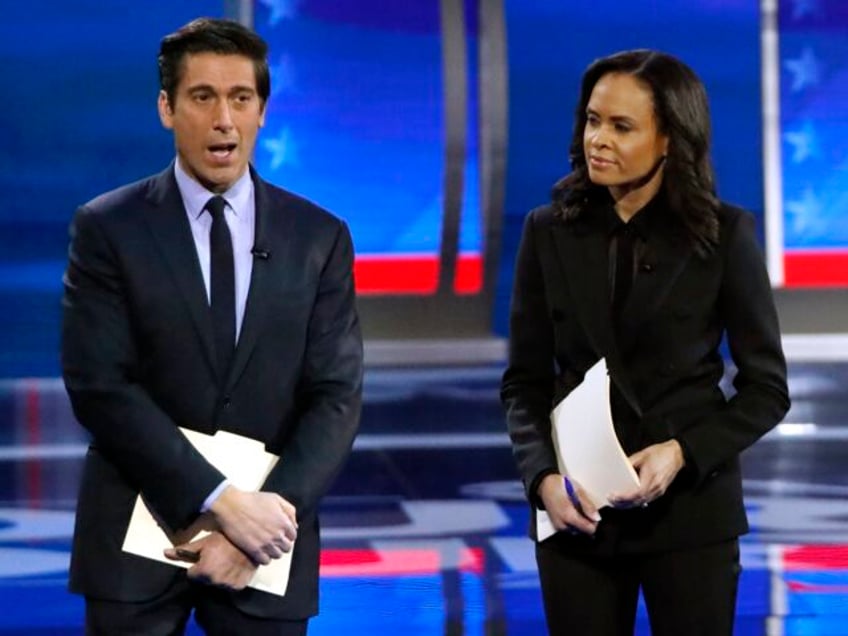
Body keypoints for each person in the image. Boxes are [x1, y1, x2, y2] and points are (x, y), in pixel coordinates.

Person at [61, 17, 363, 635]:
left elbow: (335, 396)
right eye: (203, 97)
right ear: (167, 108)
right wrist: (222, 503)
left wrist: (262, 523)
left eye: (241, 98)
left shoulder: (320, 238)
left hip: (266, 550)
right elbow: (101, 386)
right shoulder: (107, 229)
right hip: (133, 543)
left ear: (262, 112)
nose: (224, 118)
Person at [501, 49, 790, 635]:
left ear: (669, 141)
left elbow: (767, 390)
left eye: (621, 126)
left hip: (690, 518)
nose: (597, 140)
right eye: (592, 120)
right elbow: (524, 381)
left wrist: (682, 451)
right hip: (578, 517)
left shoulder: (725, 237)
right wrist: (541, 481)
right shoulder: (547, 231)